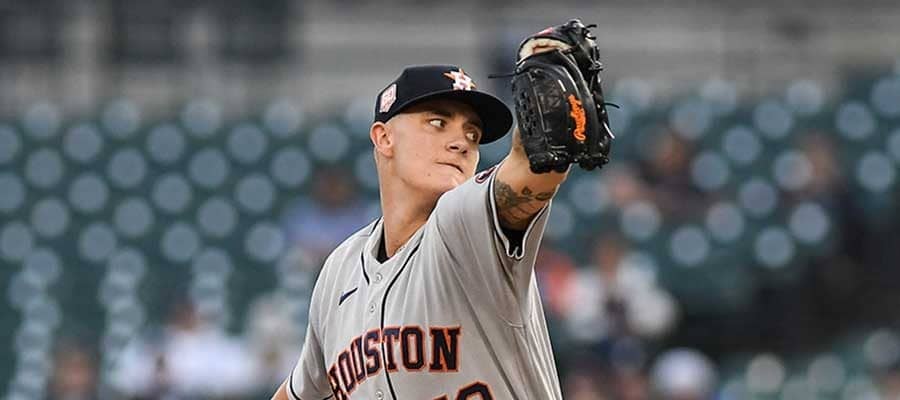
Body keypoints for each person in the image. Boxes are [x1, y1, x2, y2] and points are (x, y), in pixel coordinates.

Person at [272, 24, 611, 396]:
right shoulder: (340, 269)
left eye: (472, 134)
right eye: (438, 123)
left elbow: (531, 169)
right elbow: (299, 390)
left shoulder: (464, 223)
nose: (461, 143)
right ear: (384, 138)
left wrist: (549, 127)